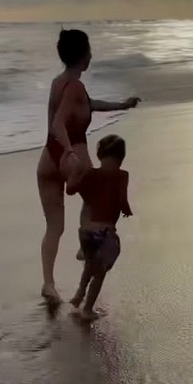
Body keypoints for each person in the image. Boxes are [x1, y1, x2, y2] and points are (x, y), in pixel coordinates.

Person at [36, 28, 140, 304]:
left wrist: (121, 104)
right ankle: (85, 249)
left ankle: (48, 283)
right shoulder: (75, 87)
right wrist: (70, 153)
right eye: (89, 50)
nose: (91, 55)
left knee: (54, 227)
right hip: (71, 158)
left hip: (47, 158)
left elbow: (89, 105)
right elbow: (59, 123)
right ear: (83, 55)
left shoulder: (59, 83)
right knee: (95, 203)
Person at [66, 134, 132, 321]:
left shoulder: (91, 174)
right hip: (105, 233)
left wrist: (75, 173)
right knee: (100, 272)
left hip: (86, 232)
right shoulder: (122, 175)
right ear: (121, 157)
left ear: (100, 156)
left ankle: (79, 294)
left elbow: (70, 190)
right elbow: (122, 200)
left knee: (90, 264)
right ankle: (87, 309)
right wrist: (127, 211)